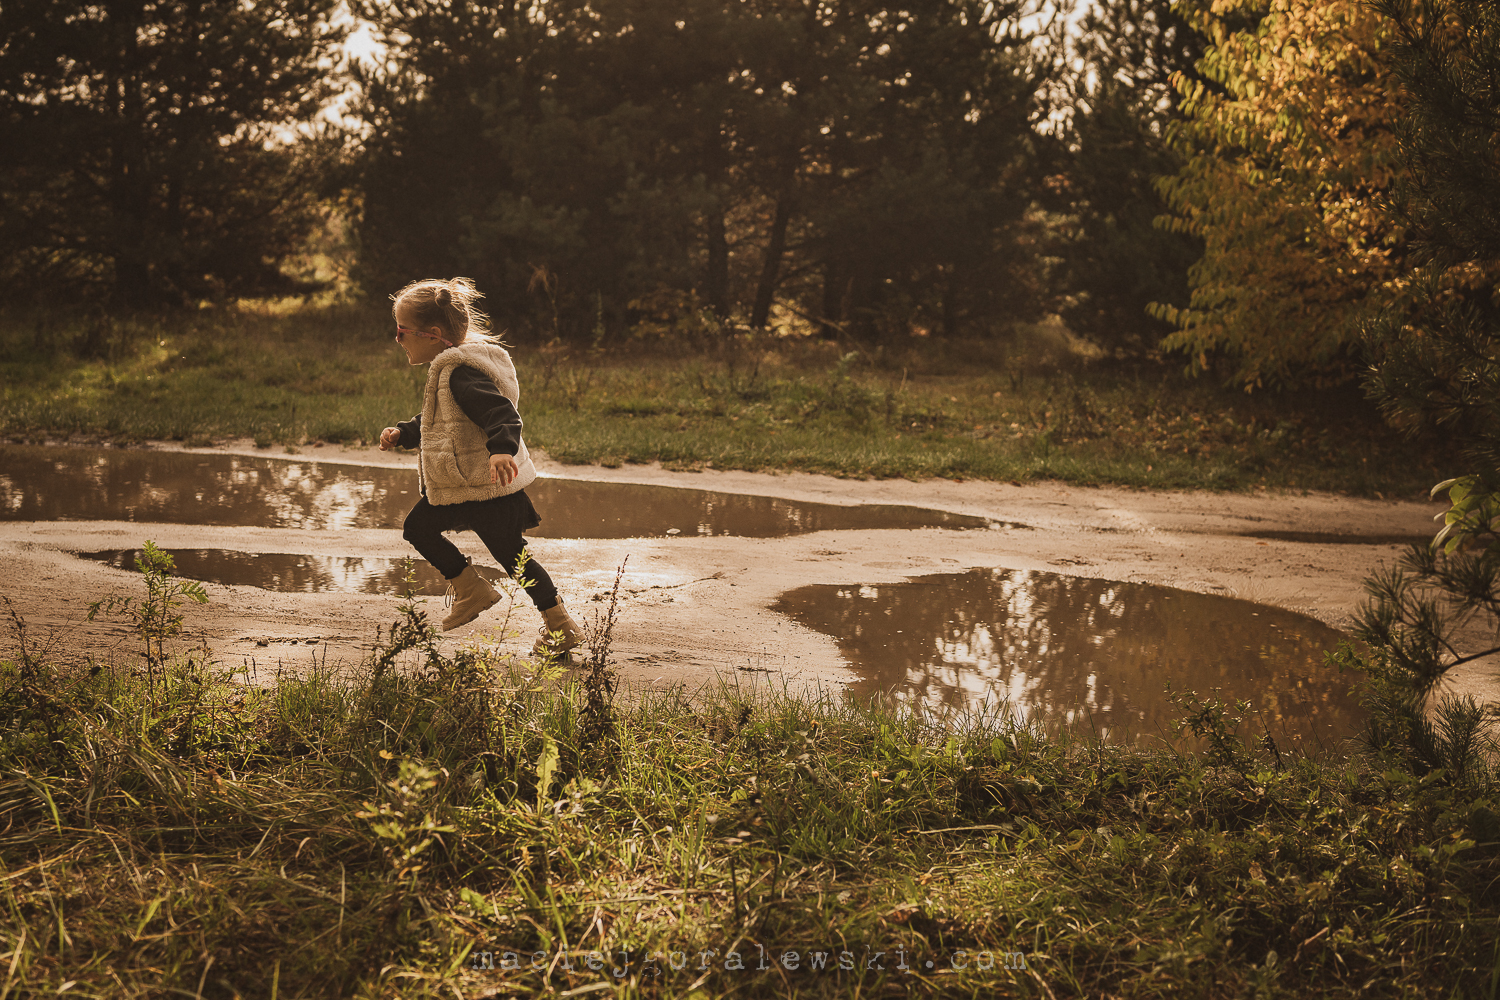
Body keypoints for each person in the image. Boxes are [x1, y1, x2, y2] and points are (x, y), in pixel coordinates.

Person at [377, 277, 583, 656]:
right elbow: (441, 421)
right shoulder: (454, 368)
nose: (397, 339)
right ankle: (542, 618)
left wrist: (502, 449)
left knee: (502, 555)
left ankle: (485, 594)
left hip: (483, 484)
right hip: (471, 483)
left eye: (402, 331)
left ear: (433, 334)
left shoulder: (461, 372)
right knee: (503, 555)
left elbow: (500, 412)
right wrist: (405, 433)